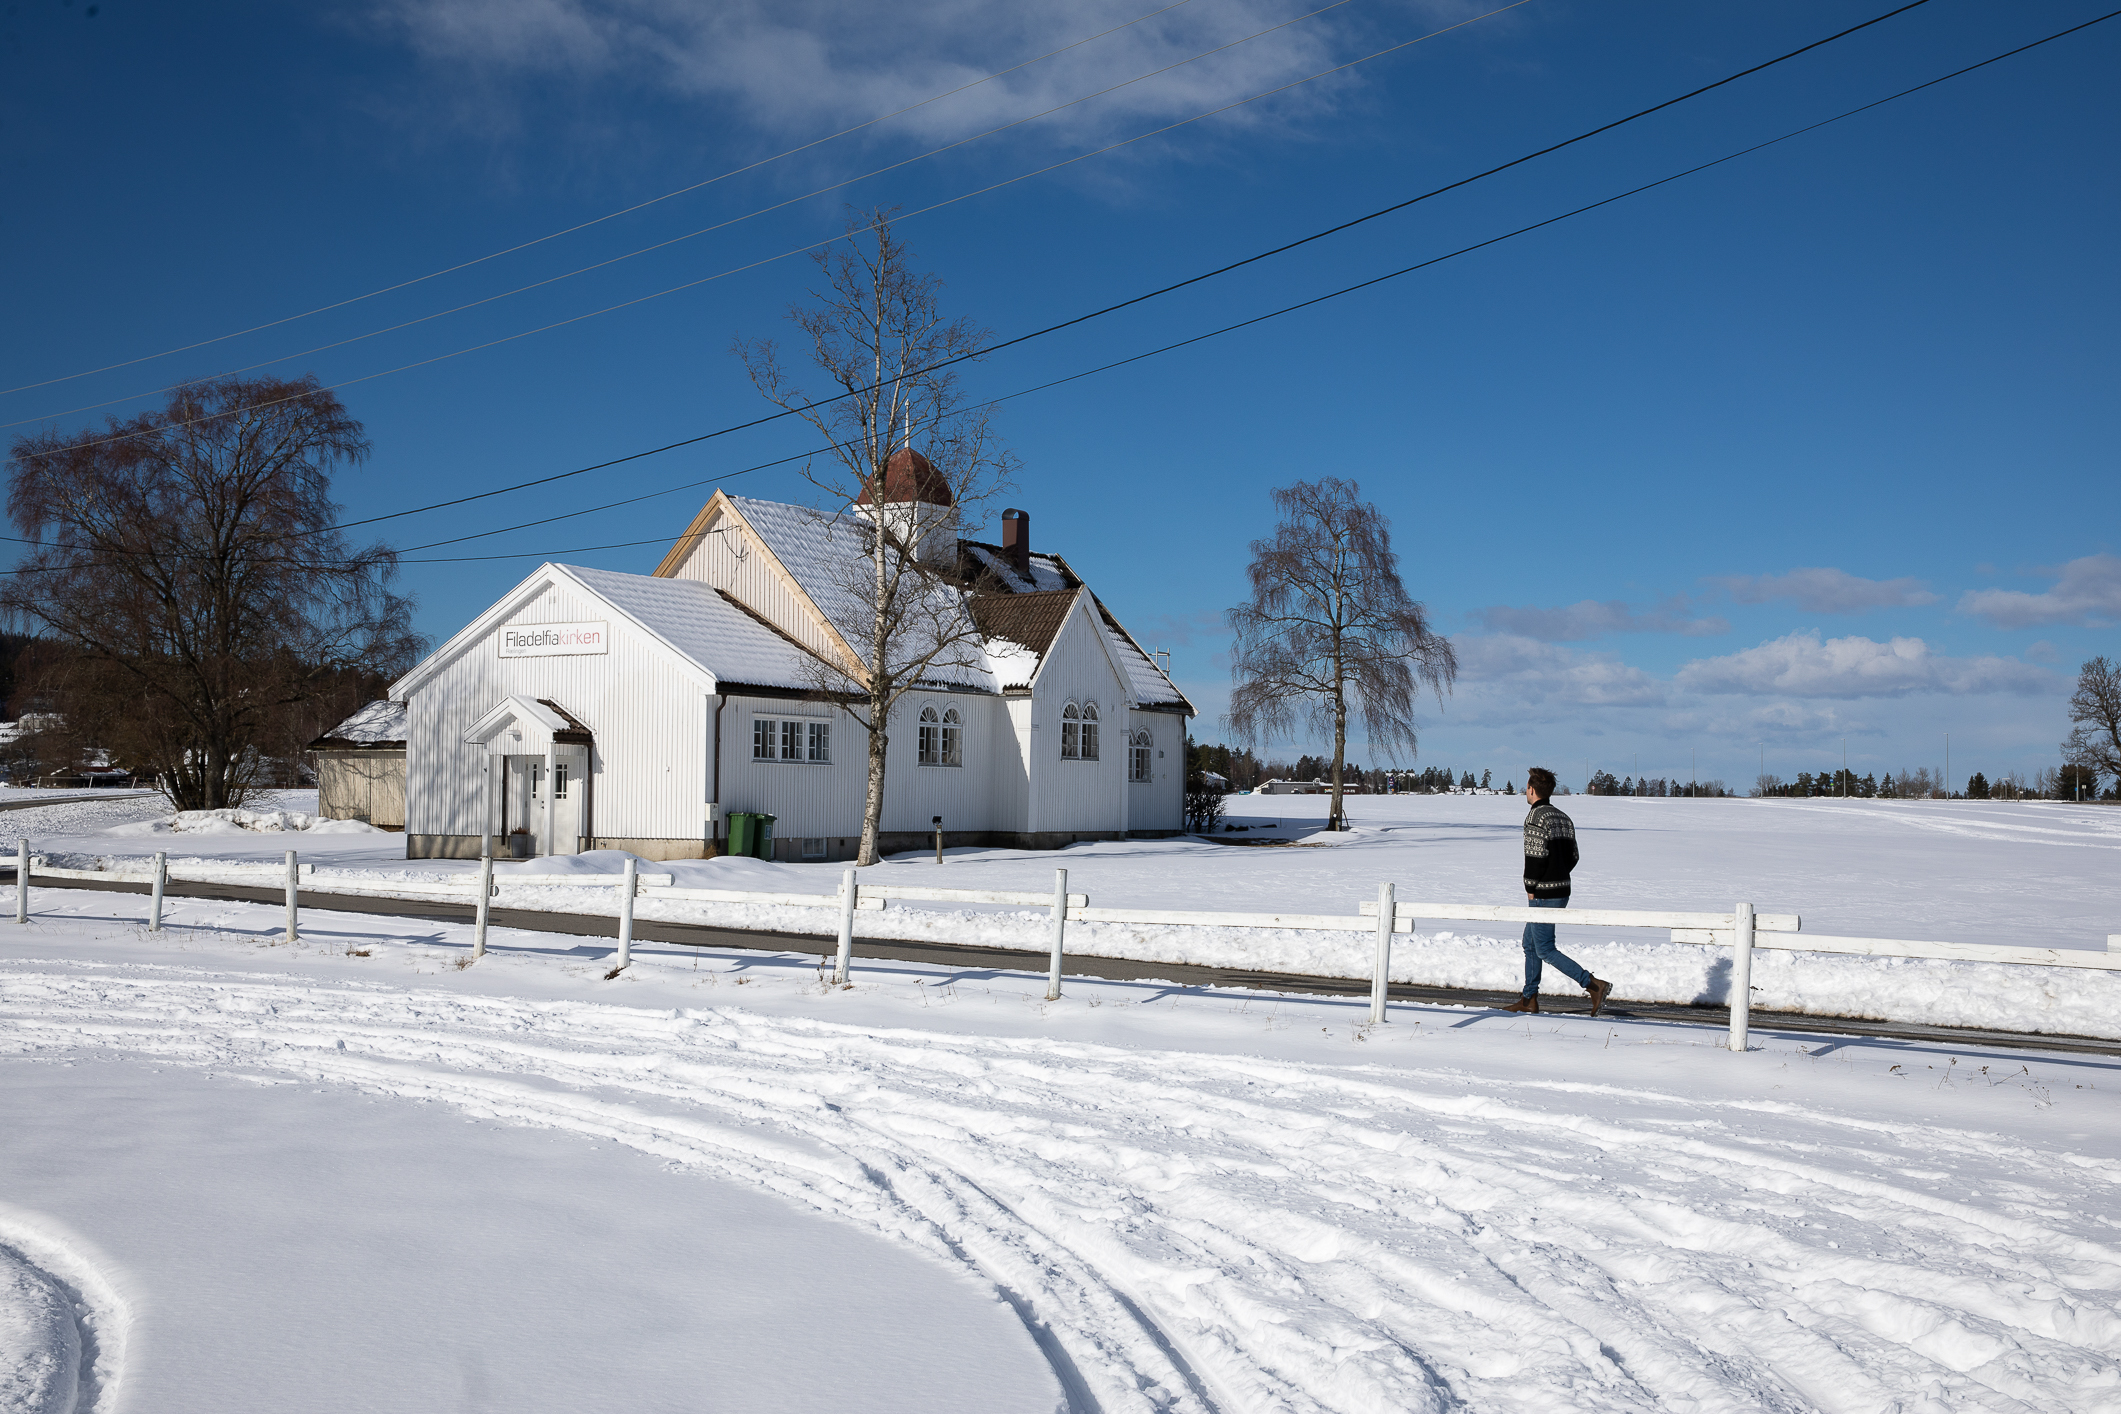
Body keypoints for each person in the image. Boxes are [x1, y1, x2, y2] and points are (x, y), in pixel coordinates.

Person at [1500, 767, 1612, 1015]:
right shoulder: (1563, 817)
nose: (1525, 793)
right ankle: (1529, 998)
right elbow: (1574, 856)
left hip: (1543, 893)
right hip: (1562, 890)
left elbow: (1534, 858)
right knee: (1530, 943)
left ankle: (1593, 985)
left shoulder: (1535, 818)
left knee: (1544, 949)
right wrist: (1560, 874)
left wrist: (1531, 886)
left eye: (1526, 789)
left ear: (1531, 789)